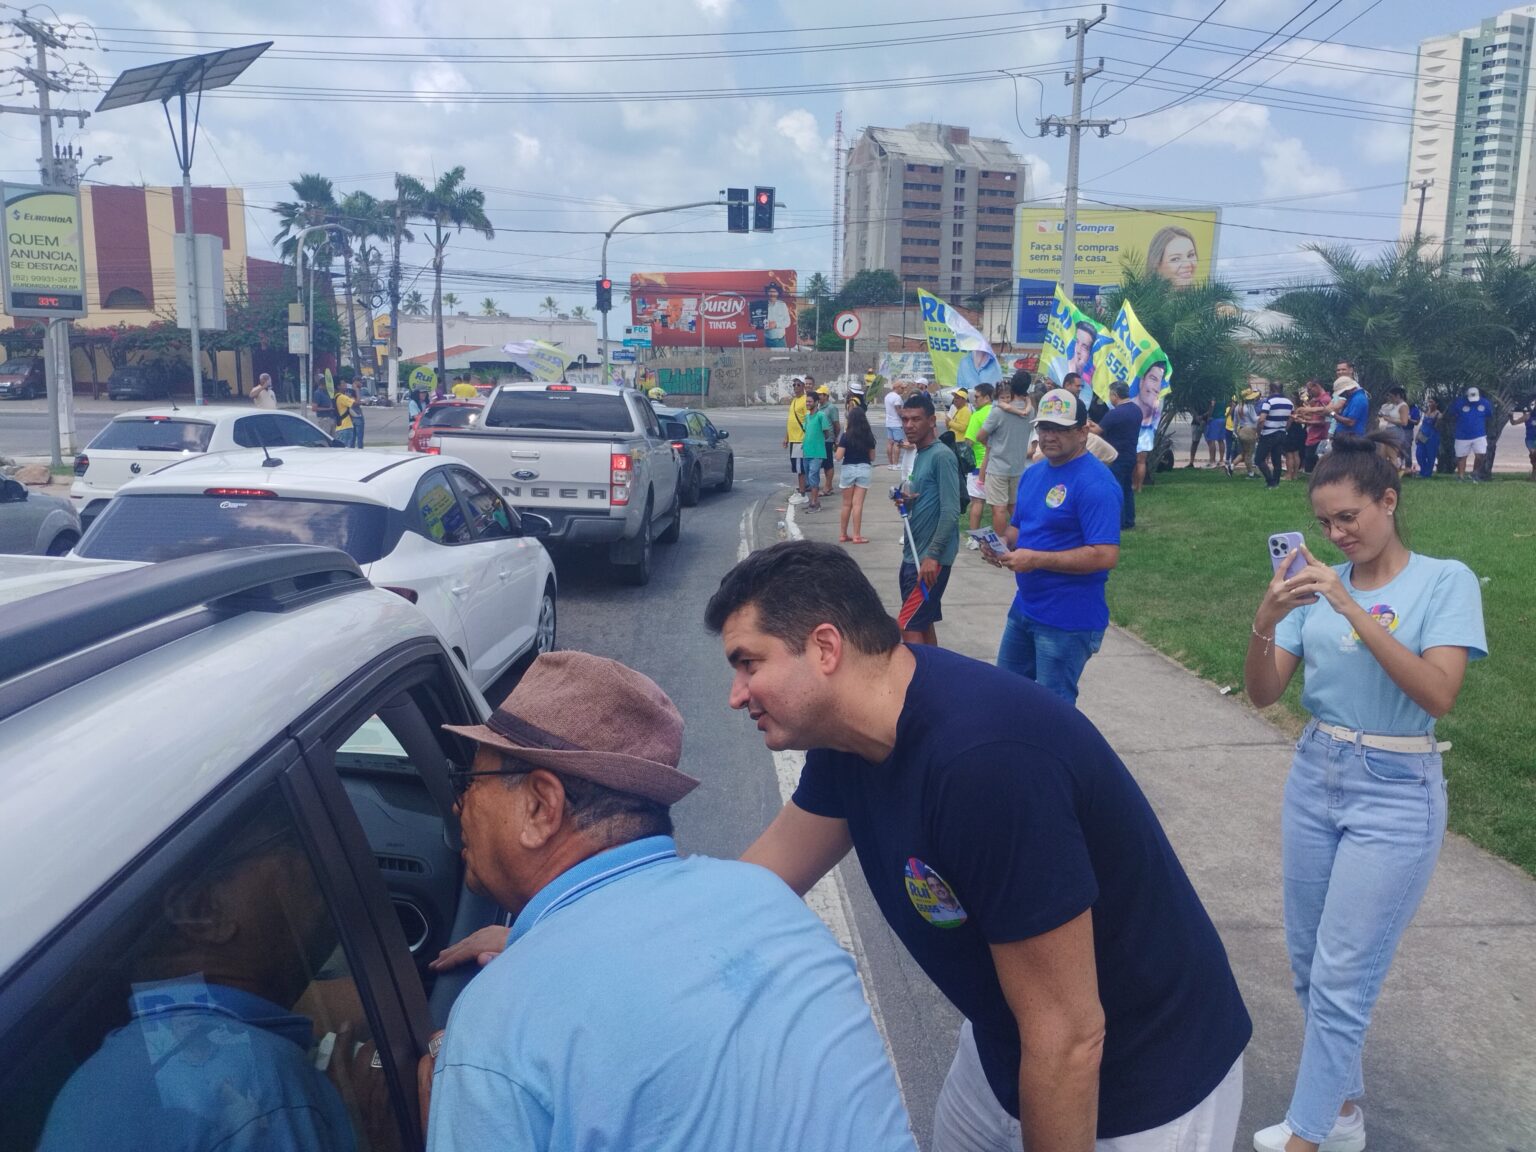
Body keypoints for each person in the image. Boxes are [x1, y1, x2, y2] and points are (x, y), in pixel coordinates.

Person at [704, 542, 1252, 1152]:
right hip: (1008, 1042)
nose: (736, 694)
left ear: (826, 648)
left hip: (1144, 1081)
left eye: (749, 663)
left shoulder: (984, 765)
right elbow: (761, 884)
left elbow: (1069, 1037)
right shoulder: (849, 737)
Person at [427, 653, 914, 1152]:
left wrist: (448, 1060)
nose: (458, 804)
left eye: (469, 781)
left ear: (540, 806)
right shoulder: (765, 896)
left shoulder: (497, 1029)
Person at [1243, 438, 1486, 1152]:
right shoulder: (1313, 586)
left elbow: (1437, 693)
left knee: (1345, 974)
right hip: (1317, 771)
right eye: (1325, 524)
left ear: (1389, 500)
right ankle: (1342, 1113)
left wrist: (1351, 607)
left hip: (1396, 787)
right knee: (1307, 962)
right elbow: (1262, 694)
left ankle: (1308, 1135)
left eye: (1349, 517)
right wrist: (1267, 614)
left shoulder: (1445, 581)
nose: (1338, 534)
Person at [38, 798, 365, 1152]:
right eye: (290, 840)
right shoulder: (262, 1091)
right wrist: (376, 1136)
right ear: (200, 910)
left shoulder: (93, 1080)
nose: (315, 856)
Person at [984, 387, 1122, 705]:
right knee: (1006, 695)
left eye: (1060, 429)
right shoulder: (1034, 474)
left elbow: (1105, 554)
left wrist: (1037, 560)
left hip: (1067, 618)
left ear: (1083, 431)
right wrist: (1002, 544)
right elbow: (1021, 527)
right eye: (1045, 427)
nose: (1049, 436)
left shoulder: (1095, 483)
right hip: (1025, 608)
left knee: (1054, 709)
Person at [893, 391, 960, 646]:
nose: (908, 425)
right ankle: (937, 680)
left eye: (916, 419)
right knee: (922, 622)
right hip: (913, 554)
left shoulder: (941, 456)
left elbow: (951, 510)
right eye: (905, 419)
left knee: (907, 625)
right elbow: (928, 497)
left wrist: (933, 556)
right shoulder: (921, 454)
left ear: (932, 421)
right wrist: (907, 501)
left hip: (928, 561)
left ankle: (921, 684)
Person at [976, 370, 1035, 542]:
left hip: (998, 466)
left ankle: (1002, 542)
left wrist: (990, 445)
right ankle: (1024, 539)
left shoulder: (998, 412)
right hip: (1018, 465)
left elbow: (980, 436)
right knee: (1014, 507)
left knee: (999, 509)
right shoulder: (1030, 411)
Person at [1097, 381, 1142, 529]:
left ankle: (1119, 522)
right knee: (1127, 489)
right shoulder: (1137, 410)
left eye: (1110, 395)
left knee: (1116, 489)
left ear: (1115, 395)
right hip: (1130, 455)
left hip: (1115, 457)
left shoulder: (1115, 413)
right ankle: (1129, 520)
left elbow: (1098, 431)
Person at [837, 402, 876, 543]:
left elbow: (839, 456)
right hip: (864, 469)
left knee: (847, 504)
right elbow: (872, 457)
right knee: (858, 504)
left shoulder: (846, 436)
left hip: (848, 469)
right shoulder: (869, 436)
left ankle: (843, 534)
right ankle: (857, 535)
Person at [961, 382, 994, 544]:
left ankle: (974, 538)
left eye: (977, 397)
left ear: (987, 397)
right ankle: (1000, 537)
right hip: (998, 465)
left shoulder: (978, 416)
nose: (975, 400)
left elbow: (969, 440)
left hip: (979, 464)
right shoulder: (999, 413)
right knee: (998, 505)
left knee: (977, 502)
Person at [1129, 362, 1166, 493]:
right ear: (1142, 380)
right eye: (1152, 378)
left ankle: (1137, 486)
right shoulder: (1155, 401)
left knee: (1139, 461)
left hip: (1145, 431)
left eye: (1159, 381)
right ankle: (1136, 486)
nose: (1155, 387)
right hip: (1142, 431)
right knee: (1139, 461)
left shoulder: (1155, 403)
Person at [1255, 379, 1295, 489]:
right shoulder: (1289, 403)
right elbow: (1291, 419)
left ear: (1271, 389)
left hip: (1268, 433)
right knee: (1276, 459)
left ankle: (1270, 481)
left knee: (1259, 459)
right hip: (1281, 433)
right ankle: (1276, 482)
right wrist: (1284, 429)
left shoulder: (1268, 402)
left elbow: (1262, 419)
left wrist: (1258, 432)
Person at [1449, 384, 1492, 482]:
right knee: (1461, 456)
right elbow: (1452, 415)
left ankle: (1474, 474)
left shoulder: (1485, 403)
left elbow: (1489, 415)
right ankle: (1461, 476)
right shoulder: (1459, 403)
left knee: (1481, 455)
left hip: (1479, 434)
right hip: (1461, 435)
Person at [799, 390, 830, 513]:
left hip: (817, 453)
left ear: (816, 402)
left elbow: (826, 433)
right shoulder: (807, 417)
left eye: (810, 401)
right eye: (807, 401)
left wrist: (818, 442)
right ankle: (814, 501)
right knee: (809, 476)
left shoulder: (821, 416)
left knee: (813, 476)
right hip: (807, 451)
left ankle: (814, 503)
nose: (808, 403)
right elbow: (807, 432)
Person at [1048, 320, 1097, 391]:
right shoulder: (1058, 366)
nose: (1078, 350)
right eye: (1077, 342)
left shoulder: (1091, 378)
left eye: (1084, 347)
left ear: (1089, 353)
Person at [783, 376, 809, 503]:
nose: (795, 387)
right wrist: (786, 437)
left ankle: (803, 493)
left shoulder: (805, 400)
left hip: (800, 439)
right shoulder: (794, 401)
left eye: (798, 385)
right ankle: (801, 490)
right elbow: (790, 420)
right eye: (794, 385)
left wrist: (806, 438)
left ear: (803, 386)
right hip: (793, 439)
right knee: (796, 467)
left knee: (800, 468)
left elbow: (808, 420)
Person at [1226, 386, 1260, 478]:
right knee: (1249, 453)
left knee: (1244, 452)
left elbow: (1235, 422)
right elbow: (1254, 419)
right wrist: (1262, 416)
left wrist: (1236, 433)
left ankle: (1231, 466)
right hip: (1250, 431)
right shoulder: (1250, 406)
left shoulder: (1238, 407)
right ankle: (1250, 474)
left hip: (1241, 431)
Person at [1377, 384, 1411, 473]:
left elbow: (1404, 422)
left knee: (1392, 455)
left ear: (1398, 396)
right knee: (1382, 454)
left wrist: (1389, 419)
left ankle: (1395, 476)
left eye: (1392, 397)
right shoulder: (1395, 405)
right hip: (1388, 430)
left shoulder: (1403, 406)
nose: (1390, 399)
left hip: (1395, 432)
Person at [1300, 381, 1331, 473]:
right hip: (1312, 435)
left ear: (1317, 386)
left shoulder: (1325, 400)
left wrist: (1305, 421)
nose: (1309, 392)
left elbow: (1324, 421)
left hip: (1319, 437)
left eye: (1310, 389)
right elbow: (1314, 417)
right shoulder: (1316, 400)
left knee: (1314, 464)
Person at [1509, 395, 1536, 480]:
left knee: (1534, 457)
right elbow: (1513, 423)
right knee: (1534, 455)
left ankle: (1533, 476)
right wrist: (1510, 416)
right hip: (1530, 440)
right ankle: (1533, 476)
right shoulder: (1528, 416)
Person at [1414, 395, 1442, 479]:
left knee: (1430, 456)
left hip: (1432, 437)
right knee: (1419, 454)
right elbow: (1422, 424)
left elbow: (1438, 427)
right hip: (1422, 435)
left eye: (1431, 402)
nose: (1429, 404)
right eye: (1429, 402)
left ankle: (1427, 474)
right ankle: (1423, 470)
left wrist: (1438, 420)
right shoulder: (1426, 412)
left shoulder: (1438, 414)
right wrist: (1417, 435)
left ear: (1436, 404)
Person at [1284, 389, 1307, 480]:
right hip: (1299, 430)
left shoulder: (1292, 408)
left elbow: (1290, 421)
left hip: (1291, 431)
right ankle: (1295, 474)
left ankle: (1289, 474)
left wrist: (1285, 429)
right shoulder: (1301, 407)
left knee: (1289, 454)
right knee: (1296, 453)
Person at [883, 379, 907, 467]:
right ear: (896, 387)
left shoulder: (887, 396)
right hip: (897, 423)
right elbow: (898, 410)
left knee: (890, 443)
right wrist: (905, 419)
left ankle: (890, 463)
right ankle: (896, 464)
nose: (903, 390)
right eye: (902, 388)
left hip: (889, 422)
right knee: (898, 443)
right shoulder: (897, 397)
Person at [763, 281, 792, 348]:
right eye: (770, 291)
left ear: (778, 293)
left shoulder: (782, 305)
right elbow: (759, 321)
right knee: (768, 358)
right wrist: (755, 325)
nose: (772, 293)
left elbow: (788, 322)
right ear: (767, 293)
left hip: (780, 341)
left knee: (782, 358)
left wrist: (776, 324)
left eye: (774, 291)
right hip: (767, 340)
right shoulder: (763, 305)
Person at [1203, 397, 1228, 469]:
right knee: (1221, 440)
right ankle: (1221, 460)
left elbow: (1212, 406)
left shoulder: (1214, 396)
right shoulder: (1223, 397)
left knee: (1212, 440)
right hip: (1222, 419)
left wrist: (1209, 416)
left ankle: (1212, 461)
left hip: (1215, 419)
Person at [1188, 398, 1213, 467]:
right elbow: (1191, 408)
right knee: (1195, 442)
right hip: (1196, 422)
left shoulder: (1208, 396)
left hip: (1206, 422)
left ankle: (1211, 461)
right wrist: (1197, 417)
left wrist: (1202, 416)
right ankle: (1191, 462)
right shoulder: (1195, 396)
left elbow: (1211, 408)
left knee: (1209, 442)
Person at [333, 381, 357, 448]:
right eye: (343, 383)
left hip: (339, 427)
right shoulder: (342, 397)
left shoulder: (336, 396)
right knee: (346, 450)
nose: (345, 385)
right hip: (346, 427)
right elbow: (356, 403)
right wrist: (356, 390)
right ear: (338, 386)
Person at [347, 382, 366, 449]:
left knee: (352, 437)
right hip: (357, 417)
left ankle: (351, 449)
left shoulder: (348, 397)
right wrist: (357, 390)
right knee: (359, 437)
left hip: (351, 418)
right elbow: (357, 402)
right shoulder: (353, 398)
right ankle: (359, 450)